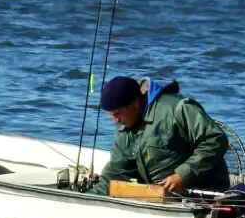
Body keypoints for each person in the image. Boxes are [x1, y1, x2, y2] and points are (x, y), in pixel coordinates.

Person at [86, 76, 230, 196]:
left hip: (204, 193)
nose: (115, 121)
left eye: (117, 114)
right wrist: (87, 200)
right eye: (111, 116)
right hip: (162, 199)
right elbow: (116, 173)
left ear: (135, 103)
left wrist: (183, 175)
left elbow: (215, 139)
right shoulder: (124, 131)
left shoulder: (177, 108)